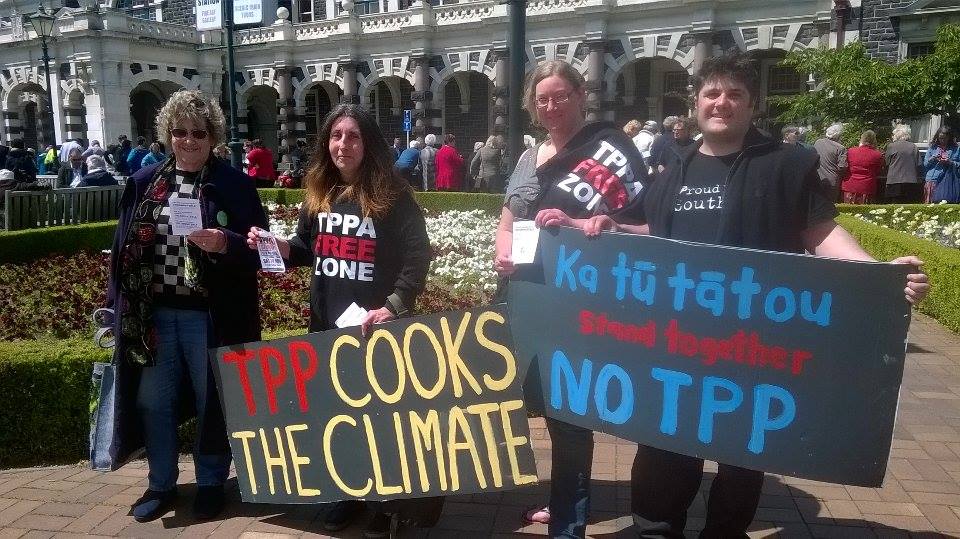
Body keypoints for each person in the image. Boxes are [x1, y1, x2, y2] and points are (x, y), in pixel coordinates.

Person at [556, 50, 929, 539]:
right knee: (663, 448)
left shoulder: (787, 164)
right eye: (712, 93)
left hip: (752, 347)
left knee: (742, 458)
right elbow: (653, 227)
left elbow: (819, 231)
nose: (722, 103)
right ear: (696, 103)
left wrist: (879, 274)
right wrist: (610, 225)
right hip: (676, 342)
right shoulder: (674, 167)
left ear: (753, 105)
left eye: (735, 94)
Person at [245, 104, 433, 538]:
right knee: (341, 416)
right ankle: (348, 494)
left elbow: (416, 257)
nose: (343, 144)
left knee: (383, 420)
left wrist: (393, 305)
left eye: (352, 136)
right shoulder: (320, 194)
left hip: (376, 328)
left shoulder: (393, 196)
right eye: (336, 136)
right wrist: (276, 244)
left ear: (367, 143)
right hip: (328, 327)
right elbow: (309, 249)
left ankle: (390, 503)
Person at [494, 59, 648, 539]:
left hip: (579, 297)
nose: (551, 105)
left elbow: (648, 226)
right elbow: (508, 213)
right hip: (525, 291)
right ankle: (562, 497)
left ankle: (569, 522)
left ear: (581, 96)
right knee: (531, 396)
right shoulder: (528, 156)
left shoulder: (611, 150)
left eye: (561, 96)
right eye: (542, 99)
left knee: (569, 409)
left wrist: (585, 224)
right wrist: (502, 247)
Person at [105, 89, 267, 523]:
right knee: (154, 401)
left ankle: (212, 481)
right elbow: (122, 250)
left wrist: (226, 242)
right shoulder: (143, 184)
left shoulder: (234, 184)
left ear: (212, 136)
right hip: (154, 315)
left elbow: (262, 251)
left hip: (210, 316)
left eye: (199, 132)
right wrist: (112, 308)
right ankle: (161, 483)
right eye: (180, 132)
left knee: (212, 398)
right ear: (167, 134)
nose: (189, 140)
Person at [842, 130, 884, 204]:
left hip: (850, 186)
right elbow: (878, 170)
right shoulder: (877, 155)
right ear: (874, 141)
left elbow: (845, 166)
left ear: (862, 139)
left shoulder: (850, 151)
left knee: (848, 211)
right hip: (867, 187)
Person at [885, 124, 922, 203]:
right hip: (911, 182)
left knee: (895, 208)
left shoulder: (891, 146)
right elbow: (918, 164)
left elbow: (887, 163)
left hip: (894, 181)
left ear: (897, 134)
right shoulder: (914, 147)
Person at [924, 127, 960, 203]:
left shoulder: (956, 149)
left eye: (944, 138)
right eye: (940, 138)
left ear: (949, 138)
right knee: (931, 205)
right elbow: (925, 165)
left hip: (948, 181)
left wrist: (950, 162)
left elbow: (958, 164)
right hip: (933, 179)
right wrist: (932, 159)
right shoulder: (932, 148)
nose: (942, 140)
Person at [813, 123, 848, 202]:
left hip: (818, 179)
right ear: (839, 136)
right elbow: (842, 167)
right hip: (832, 182)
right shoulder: (840, 148)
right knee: (831, 206)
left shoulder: (818, 142)